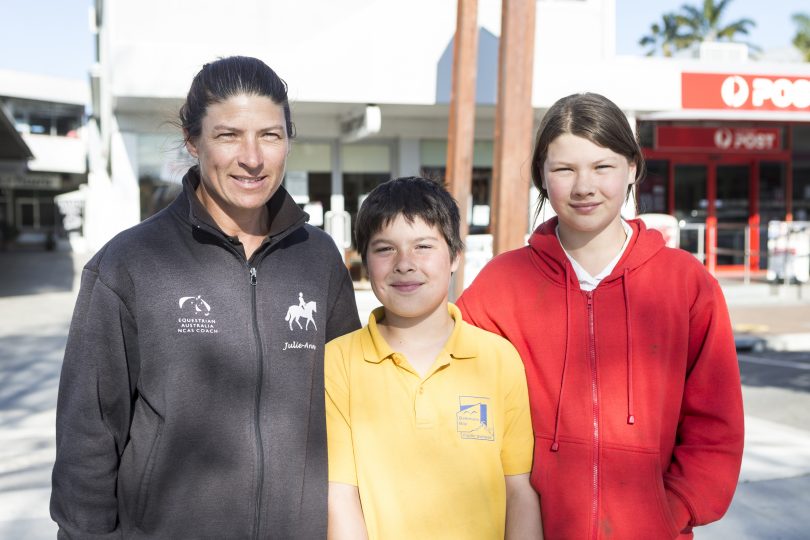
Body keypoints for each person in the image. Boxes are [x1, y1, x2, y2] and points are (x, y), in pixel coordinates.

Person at [50, 56, 361, 539]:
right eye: (229, 135)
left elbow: (352, 409)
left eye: (271, 135)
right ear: (193, 140)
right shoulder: (130, 263)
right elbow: (88, 435)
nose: (253, 157)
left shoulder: (317, 259)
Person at [458, 93, 744, 539]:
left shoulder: (686, 284)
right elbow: (458, 400)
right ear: (541, 176)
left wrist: (671, 510)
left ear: (632, 167)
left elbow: (716, 424)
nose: (584, 186)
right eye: (564, 169)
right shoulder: (500, 285)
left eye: (602, 166)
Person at [325, 177, 543, 540]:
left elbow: (518, 490)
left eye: (423, 246)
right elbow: (341, 496)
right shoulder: (339, 362)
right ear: (363, 261)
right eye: (384, 249)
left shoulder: (498, 359)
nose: (405, 264)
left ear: (456, 256)